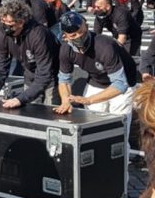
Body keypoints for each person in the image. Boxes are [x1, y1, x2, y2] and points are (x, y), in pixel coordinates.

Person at [55, 12, 137, 143]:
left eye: (82, 31)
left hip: (123, 82)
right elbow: (64, 79)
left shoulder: (104, 46)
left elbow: (120, 84)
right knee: (92, 128)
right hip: (96, 80)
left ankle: (122, 160)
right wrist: (66, 100)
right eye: (74, 35)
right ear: (65, 37)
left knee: (118, 133)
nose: (80, 36)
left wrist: (90, 100)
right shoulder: (66, 50)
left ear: (86, 26)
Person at [0, 0, 60, 107]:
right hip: (29, 74)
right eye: (4, 24)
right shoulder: (3, 34)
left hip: (51, 76)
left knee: (50, 111)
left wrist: (21, 99)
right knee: (30, 113)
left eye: (10, 25)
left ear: (21, 22)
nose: (7, 29)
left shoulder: (38, 35)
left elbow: (45, 73)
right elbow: (2, 62)